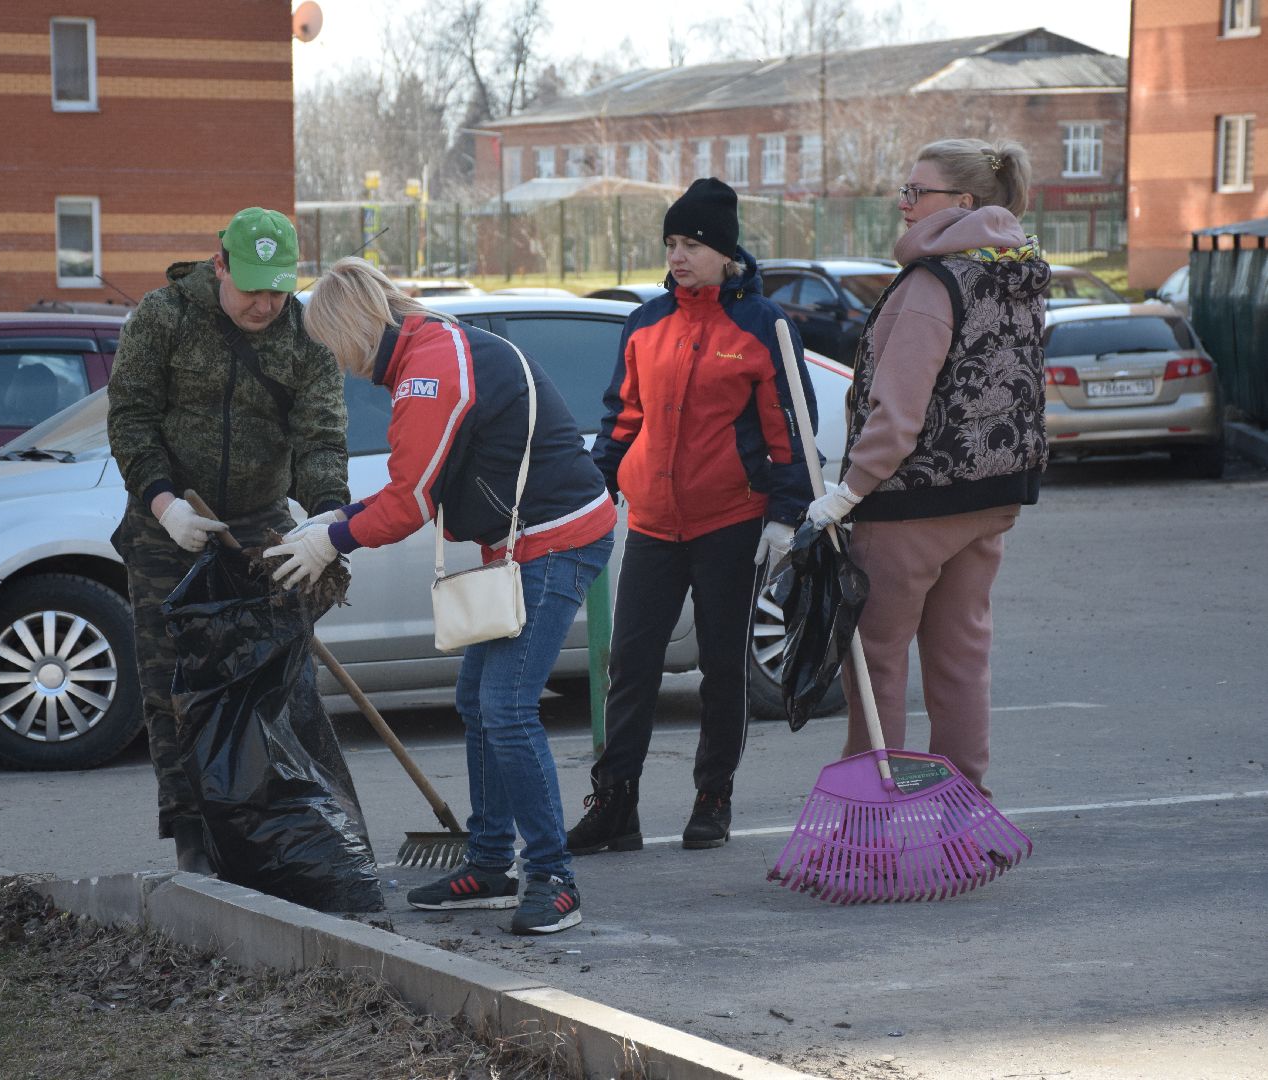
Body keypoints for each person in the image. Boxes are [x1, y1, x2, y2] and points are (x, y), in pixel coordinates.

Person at [266, 256, 616, 935]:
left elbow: (407, 504)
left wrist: (331, 539)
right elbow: (411, 483)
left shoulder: (429, 370)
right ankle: (489, 866)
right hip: (524, 541)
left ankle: (555, 879)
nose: (339, 365)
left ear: (355, 329)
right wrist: (330, 522)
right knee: (478, 700)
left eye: (334, 347)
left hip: (560, 538)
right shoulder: (432, 348)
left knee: (506, 705)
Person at [566, 177, 818, 855]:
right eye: (673, 243)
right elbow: (621, 417)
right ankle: (615, 803)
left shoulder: (763, 327)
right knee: (632, 665)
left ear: (725, 252)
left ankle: (714, 798)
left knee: (721, 666)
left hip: (731, 523)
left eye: (693, 244)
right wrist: (602, 489)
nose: (679, 256)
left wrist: (786, 514)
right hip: (653, 523)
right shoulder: (645, 323)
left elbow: (790, 430)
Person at [106, 207, 350, 873]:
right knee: (171, 686)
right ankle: (193, 839)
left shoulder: (308, 335)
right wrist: (162, 504)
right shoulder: (164, 318)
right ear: (219, 266)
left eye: (277, 289)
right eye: (252, 288)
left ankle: (270, 831)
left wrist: (326, 518)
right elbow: (130, 416)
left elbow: (321, 435)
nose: (265, 304)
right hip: (169, 526)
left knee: (273, 684)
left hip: (258, 528)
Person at [805, 138, 1049, 795]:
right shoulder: (1016, 274)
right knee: (961, 660)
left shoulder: (929, 283)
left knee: (875, 661)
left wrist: (848, 492)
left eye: (919, 191)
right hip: (990, 495)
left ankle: (871, 808)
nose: (905, 202)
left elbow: (898, 409)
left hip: (912, 500)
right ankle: (965, 805)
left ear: (963, 203)